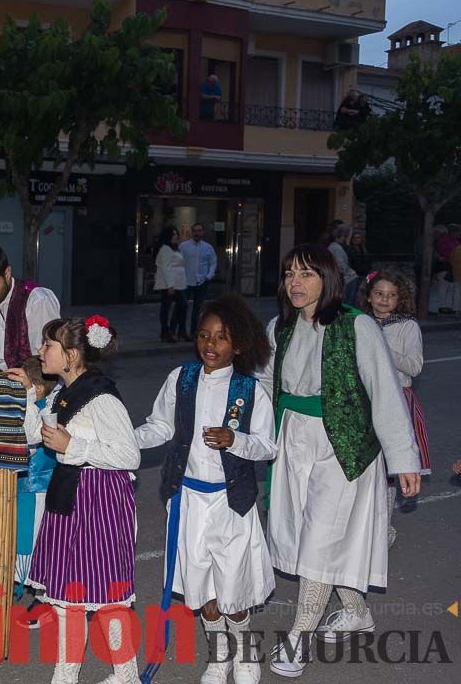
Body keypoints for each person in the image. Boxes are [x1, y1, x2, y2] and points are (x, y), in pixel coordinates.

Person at [259, 244, 421, 678]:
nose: (296, 282)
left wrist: (404, 460)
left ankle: (299, 637)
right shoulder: (281, 327)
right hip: (292, 439)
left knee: (321, 540)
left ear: (327, 279)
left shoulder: (358, 326)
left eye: (307, 274)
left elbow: (386, 393)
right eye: (290, 273)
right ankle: (357, 612)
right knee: (303, 534)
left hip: (342, 445)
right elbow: (262, 384)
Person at [136, 294, 276, 684]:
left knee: (233, 585)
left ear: (240, 345)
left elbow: (268, 445)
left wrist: (236, 439)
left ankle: (244, 653)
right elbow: (161, 426)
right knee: (201, 587)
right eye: (203, 335)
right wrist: (124, 440)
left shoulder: (251, 389)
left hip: (232, 502)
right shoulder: (181, 379)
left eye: (221, 337)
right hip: (188, 499)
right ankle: (218, 656)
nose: (210, 345)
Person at [21, 316, 140, 684]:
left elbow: (129, 455)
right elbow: (33, 436)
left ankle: (126, 675)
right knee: (68, 595)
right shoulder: (62, 392)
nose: (41, 351)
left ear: (70, 355)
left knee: (106, 592)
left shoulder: (100, 396)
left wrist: (76, 446)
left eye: (48, 345)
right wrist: (28, 393)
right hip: (69, 496)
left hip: (100, 499)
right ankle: (66, 675)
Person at [359, 270, 430, 547]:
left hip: (397, 399)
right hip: (366, 398)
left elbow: (414, 366)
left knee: (390, 466)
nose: (384, 299)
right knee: (368, 464)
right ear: (369, 296)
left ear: (400, 299)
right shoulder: (361, 322)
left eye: (391, 295)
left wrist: (382, 345)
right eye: (379, 293)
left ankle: (383, 530)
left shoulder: (407, 326)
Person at [5, 356, 58, 609]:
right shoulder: (28, 404)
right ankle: (17, 583)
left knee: (32, 540)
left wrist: (27, 396)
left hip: (37, 489)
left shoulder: (45, 408)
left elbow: (30, 436)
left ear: (35, 387)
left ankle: (42, 592)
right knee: (19, 537)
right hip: (21, 486)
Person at [0, 245, 61, 372]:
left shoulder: (36, 300)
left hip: (35, 381)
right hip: (0, 381)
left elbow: (48, 354)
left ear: (7, 273)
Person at [180, 223, 217, 337]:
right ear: (192, 232)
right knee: (182, 307)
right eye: (195, 231)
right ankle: (181, 331)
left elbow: (213, 263)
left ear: (203, 232)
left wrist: (208, 276)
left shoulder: (208, 247)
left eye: (199, 231)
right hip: (186, 281)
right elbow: (178, 263)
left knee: (198, 309)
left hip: (202, 282)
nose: (197, 233)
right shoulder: (184, 246)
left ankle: (194, 332)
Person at [154, 227, 188, 343]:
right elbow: (166, 267)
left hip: (178, 284)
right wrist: (170, 285)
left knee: (182, 306)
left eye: (176, 234)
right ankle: (166, 332)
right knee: (167, 308)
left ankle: (178, 331)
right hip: (170, 284)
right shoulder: (166, 249)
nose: (176, 236)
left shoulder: (175, 249)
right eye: (173, 234)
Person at [326, 224, 357, 304]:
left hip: (343, 278)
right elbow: (341, 265)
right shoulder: (336, 248)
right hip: (347, 279)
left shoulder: (333, 247)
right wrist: (349, 272)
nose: (345, 239)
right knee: (347, 302)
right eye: (345, 237)